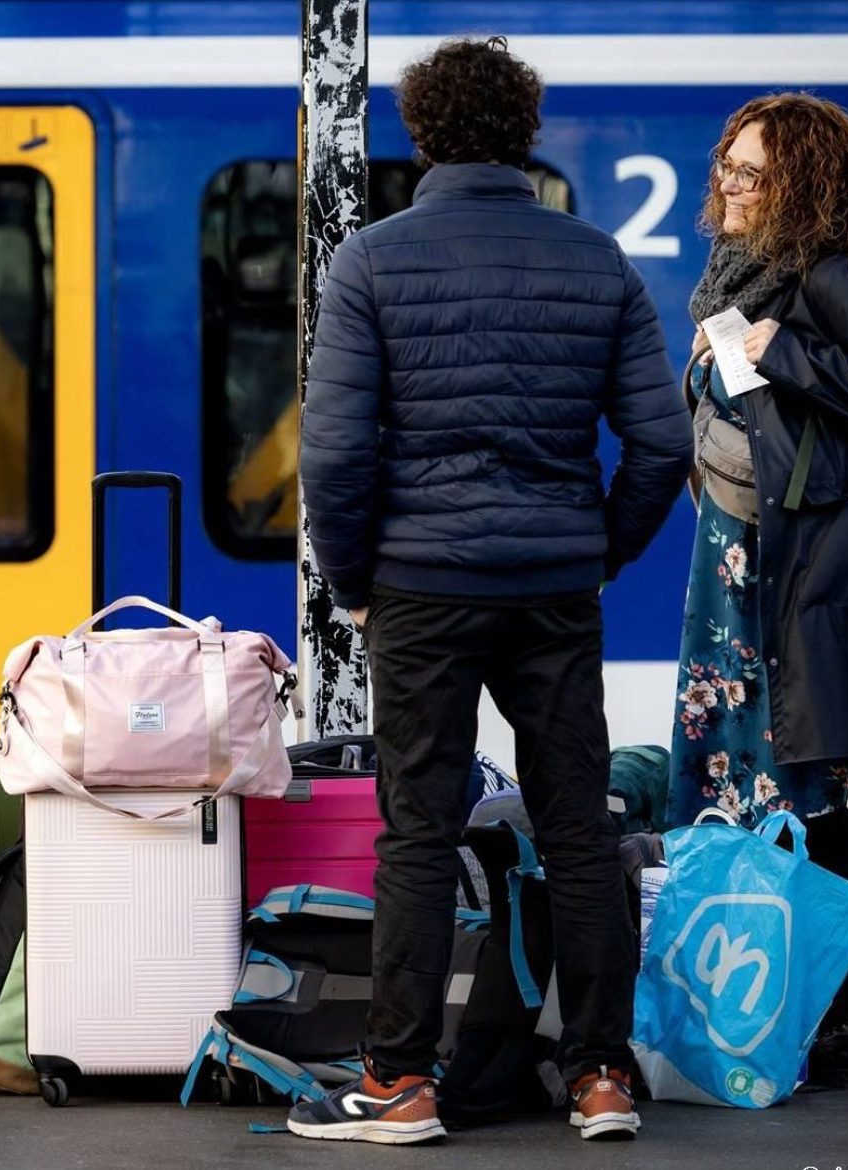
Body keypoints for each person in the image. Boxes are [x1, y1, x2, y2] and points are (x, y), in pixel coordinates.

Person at [295, 37, 693, 1144]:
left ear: (421, 133)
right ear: (526, 132)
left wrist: (356, 578)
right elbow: (662, 443)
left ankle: (402, 1081)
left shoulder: (371, 262)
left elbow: (333, 457)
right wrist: (600, 549)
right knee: (579, 829)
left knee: (417, 833)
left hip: (421, 588)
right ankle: (601, 1075)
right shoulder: (597, 261)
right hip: (555, 586)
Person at [669, 92, 848, 1084]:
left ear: (806, 182)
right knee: (798, 787)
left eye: (753, 172)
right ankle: (805, 1005)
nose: (729, 186)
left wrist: (782, 350)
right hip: (760, 564)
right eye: (726, 166)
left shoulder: (840, 265)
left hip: (819, 570)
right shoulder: (763, 267)